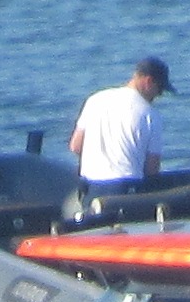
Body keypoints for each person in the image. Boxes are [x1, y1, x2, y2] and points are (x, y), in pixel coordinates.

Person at [68, 56, 171, 198]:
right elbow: (152, 169)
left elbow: (76, 146)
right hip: (127, 188)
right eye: (159, 90)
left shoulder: (95, 100)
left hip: (92, 187)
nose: (158, 95)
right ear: (149, 82)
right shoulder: (149, 114)